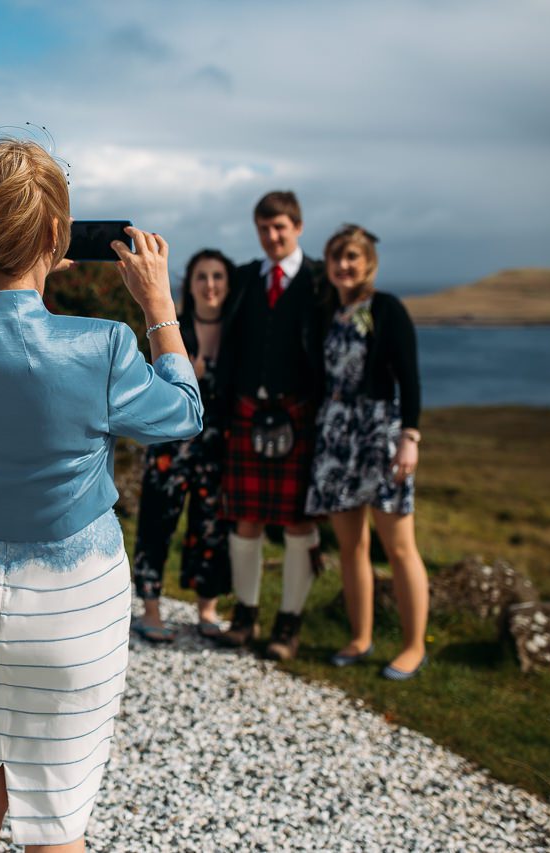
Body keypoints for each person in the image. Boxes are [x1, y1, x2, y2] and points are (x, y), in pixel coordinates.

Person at [0, 138, 202, 853]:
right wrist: (158, 305)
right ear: (57, 237)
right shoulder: (103, 348)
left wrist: (4, 267)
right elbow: (183, 412)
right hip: (72, 606)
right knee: (54, 820)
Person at [306, 224, 429, 679]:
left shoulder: (388, 309)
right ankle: (360, 637)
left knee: (398, 547)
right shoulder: (328, 313)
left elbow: (410, 378)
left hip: (380, 434)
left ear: (368, 262)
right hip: (336, 436)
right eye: (337, 257)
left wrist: (410, 438)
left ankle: (414, 646)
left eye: (352, 257)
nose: (344, 266)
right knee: (351, 545)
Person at [216, 190, 328, 661]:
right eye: (264, 228)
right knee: (246, 518)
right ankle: (245, 614)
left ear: (298, 226)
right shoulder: (244, 278)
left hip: (299, 413)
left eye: (280, 227)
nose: (271, 236)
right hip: (246, 410)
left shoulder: (321, 279)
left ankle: (289, 623)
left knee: (299, 522)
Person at [131, 249, 235, 643]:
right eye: (202, 277)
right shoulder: (174, 327)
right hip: (171, 444)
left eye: (218, 277)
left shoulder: (237, 330)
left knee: (211, 526)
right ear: (189, 286)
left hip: (218, 447)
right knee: (157, 524)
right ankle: (151, 609)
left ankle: (207, 607)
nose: (210, 285)